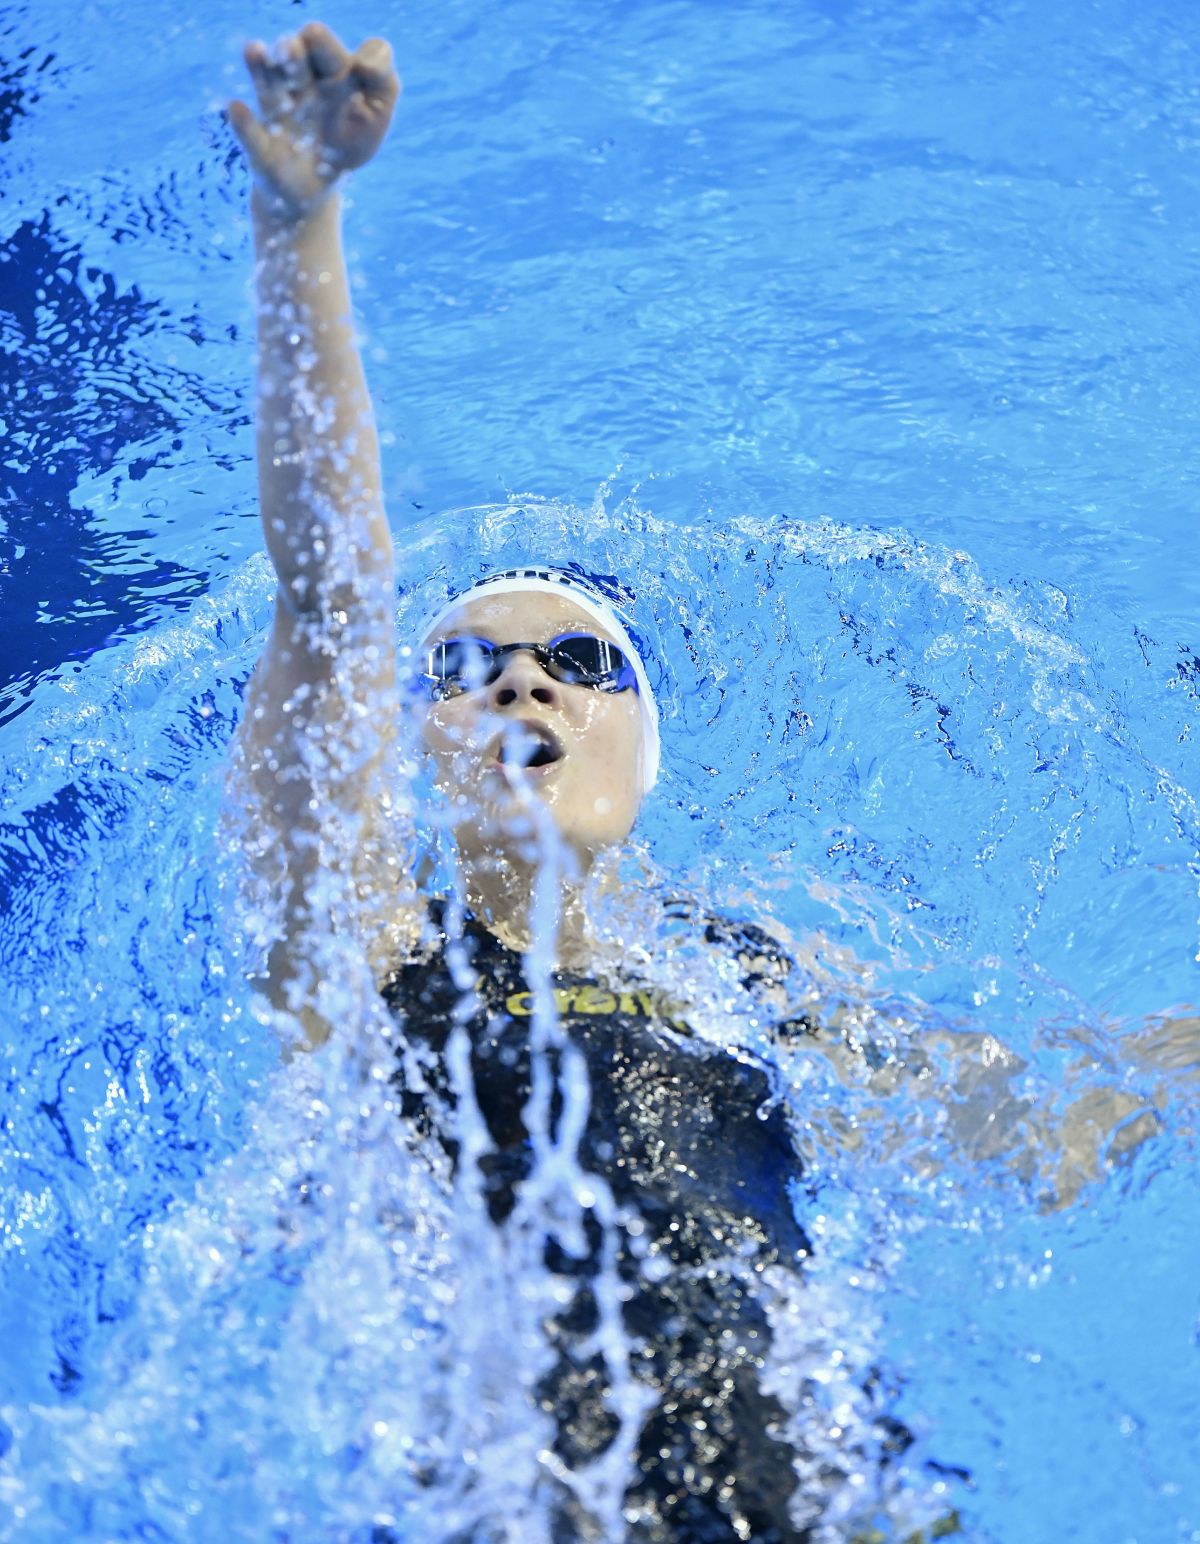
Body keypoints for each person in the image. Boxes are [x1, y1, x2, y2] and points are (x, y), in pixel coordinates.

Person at [223, 23, 1191, 1543]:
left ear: (640, 746)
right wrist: (302, 229)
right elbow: (328, 594)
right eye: (469, 664)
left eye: (577, 663)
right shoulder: (379, 955)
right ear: (417, 744)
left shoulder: (750, 980)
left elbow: (1028, 1133)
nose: (524, 684)